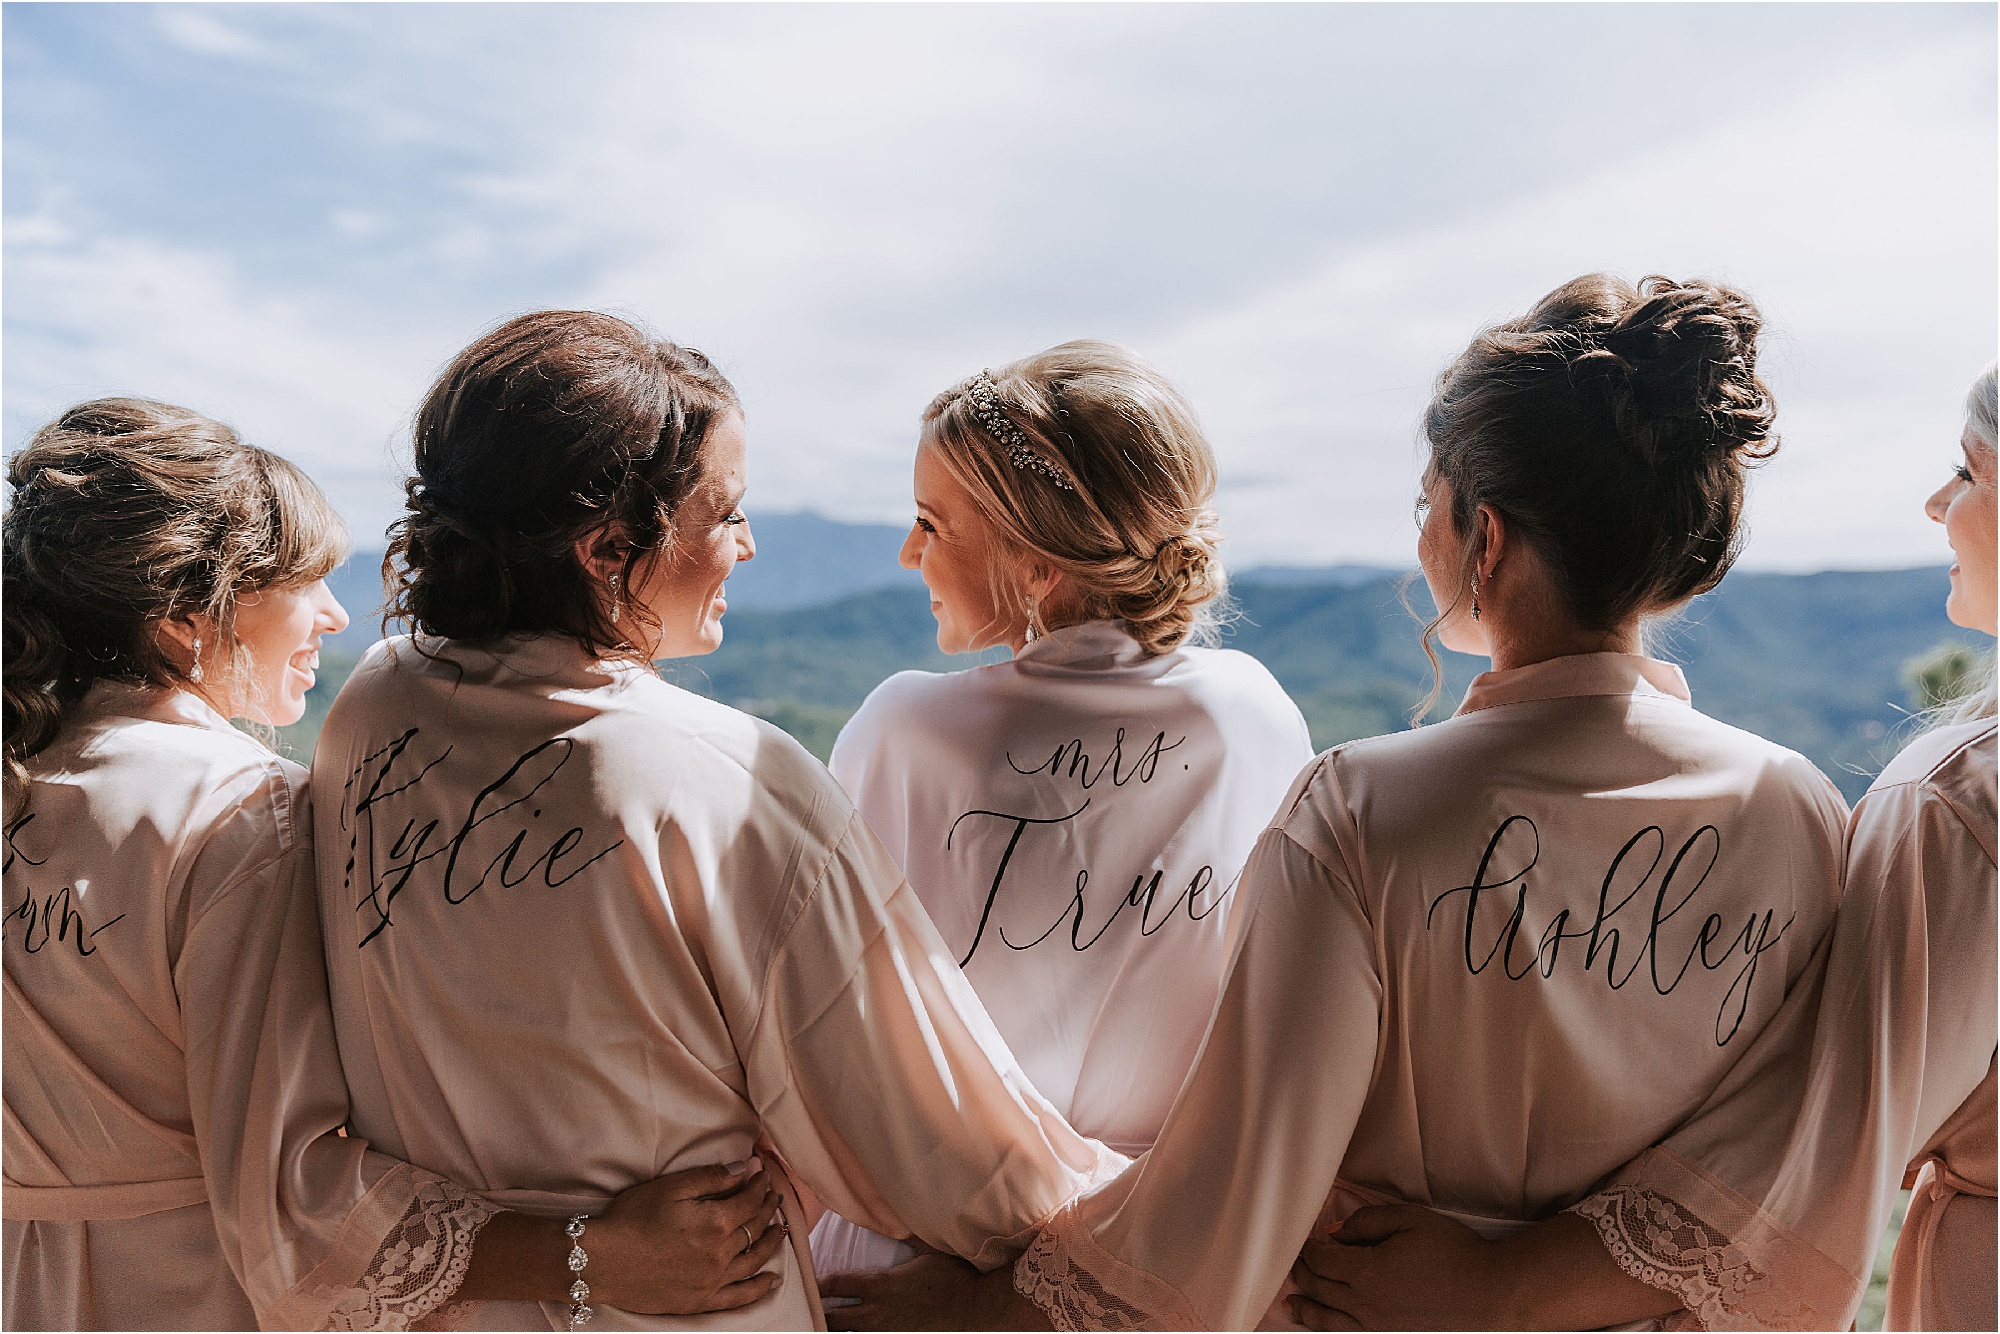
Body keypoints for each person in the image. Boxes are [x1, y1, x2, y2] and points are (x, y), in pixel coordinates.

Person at [981, 274, 1852, 1332]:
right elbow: (1804, 1158)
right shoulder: (1799, 809)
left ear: (1480, 536)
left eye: (1424, 505)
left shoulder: (1359, 810)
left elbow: (1239, 1172)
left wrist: (998, 1299)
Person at [308, 310, 1122, 1331]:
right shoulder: (730, 780)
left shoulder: (369, 714)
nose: (748, 543)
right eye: (725, 512)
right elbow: (935, 1131)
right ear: (607, 547)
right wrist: (1165, 1234)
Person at [2, 399, 786, 1330]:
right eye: (306, 582)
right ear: (185, 622)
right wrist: (592, 1258)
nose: (337, 616)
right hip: (193, 1295)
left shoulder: (24, 776)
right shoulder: (235, 813)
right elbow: (290, 1190)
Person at [1290, 363, 1998, 1331]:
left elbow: (1810, 1157)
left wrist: (1497, 1287)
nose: (1934, 502)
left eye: (1965, 472)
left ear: (1485, 538)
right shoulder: (1802, 803)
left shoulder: (1956, 807)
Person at [806, 344, 1313, 1290]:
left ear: (1033, 561)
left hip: (922, 1251)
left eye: (928, 523)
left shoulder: (912, 732)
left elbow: (839, 1042)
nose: (907, 553)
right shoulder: (1253, 716)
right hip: (1174, 1247)